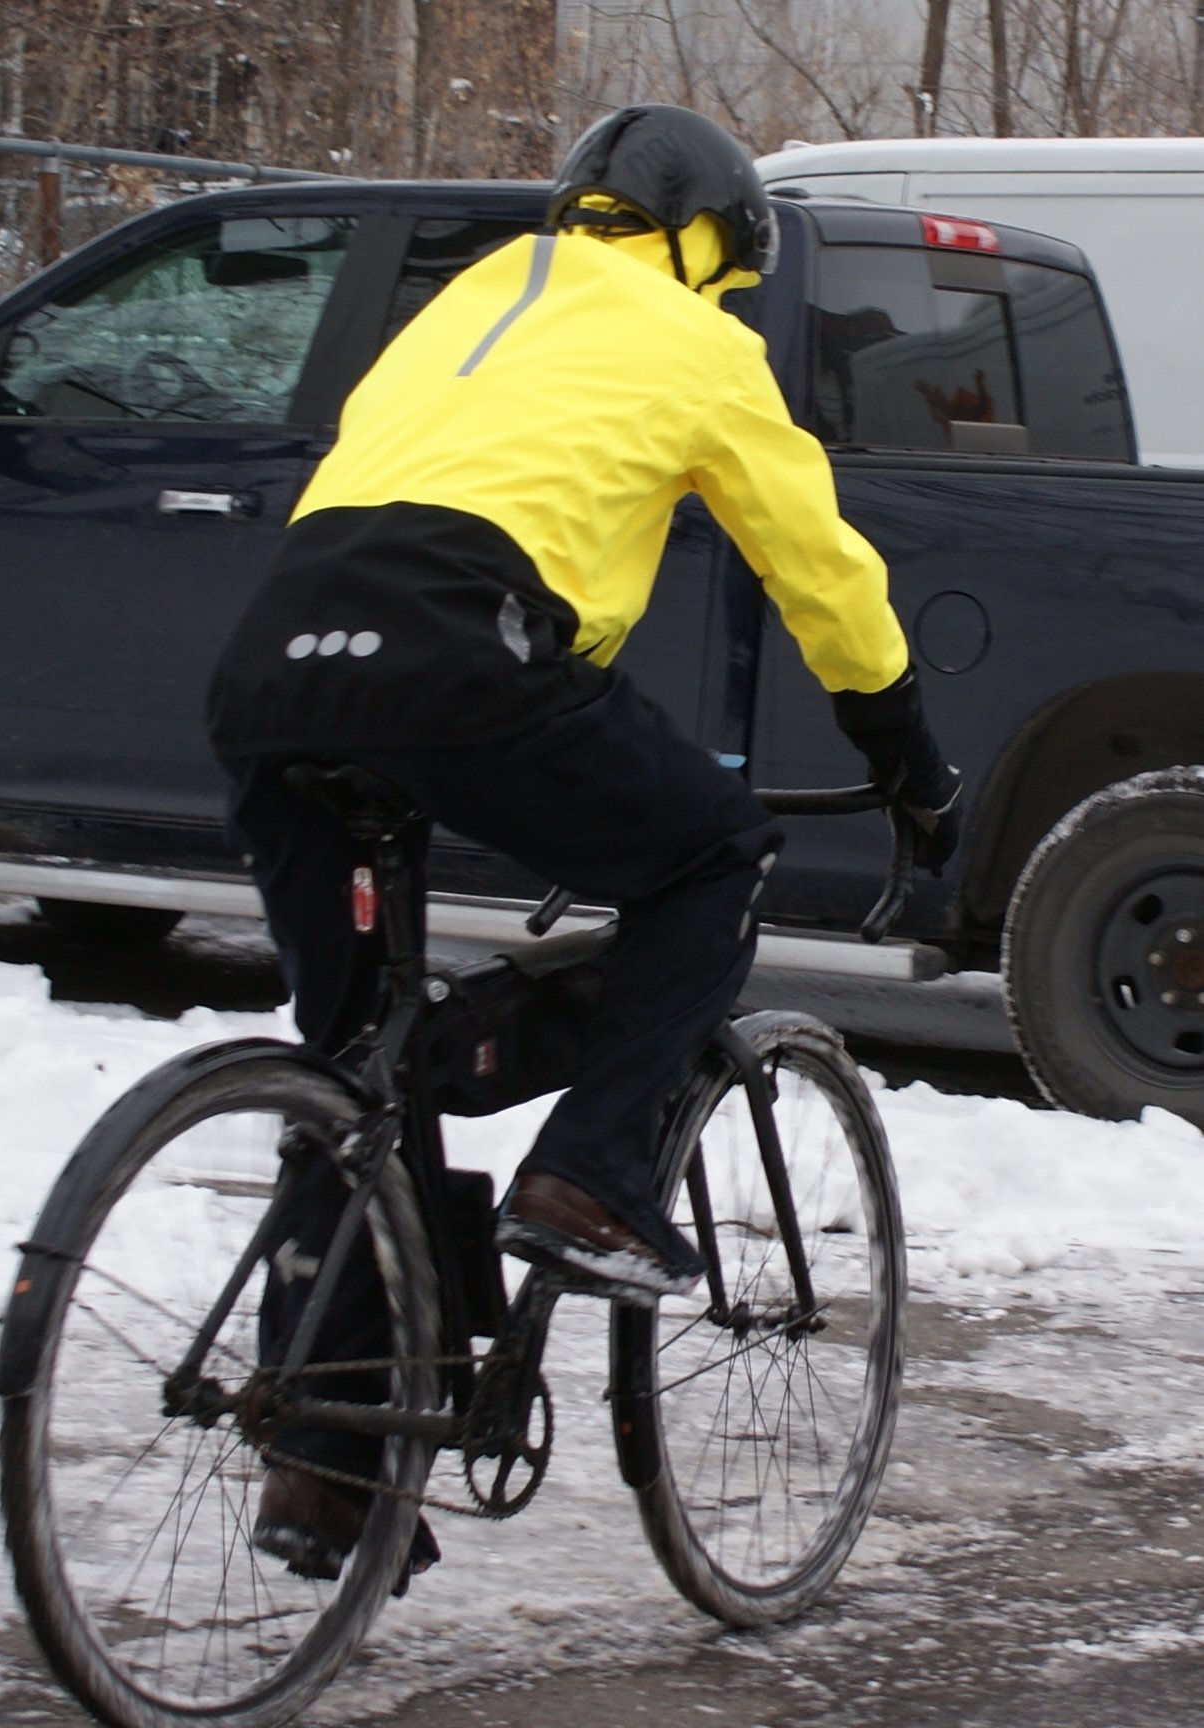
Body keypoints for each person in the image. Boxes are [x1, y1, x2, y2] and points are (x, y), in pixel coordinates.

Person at [207, 103, 961, 1582]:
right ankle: (590, 1180)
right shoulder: (696, 343)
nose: (728, 298)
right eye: (728, 273)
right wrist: (904, 754)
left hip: (272, 667)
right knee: (710, 859)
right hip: (460, 648)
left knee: (356, 1063)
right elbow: (816, 566)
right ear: (699, 240)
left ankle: (324, 1463)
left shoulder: (461, 306)